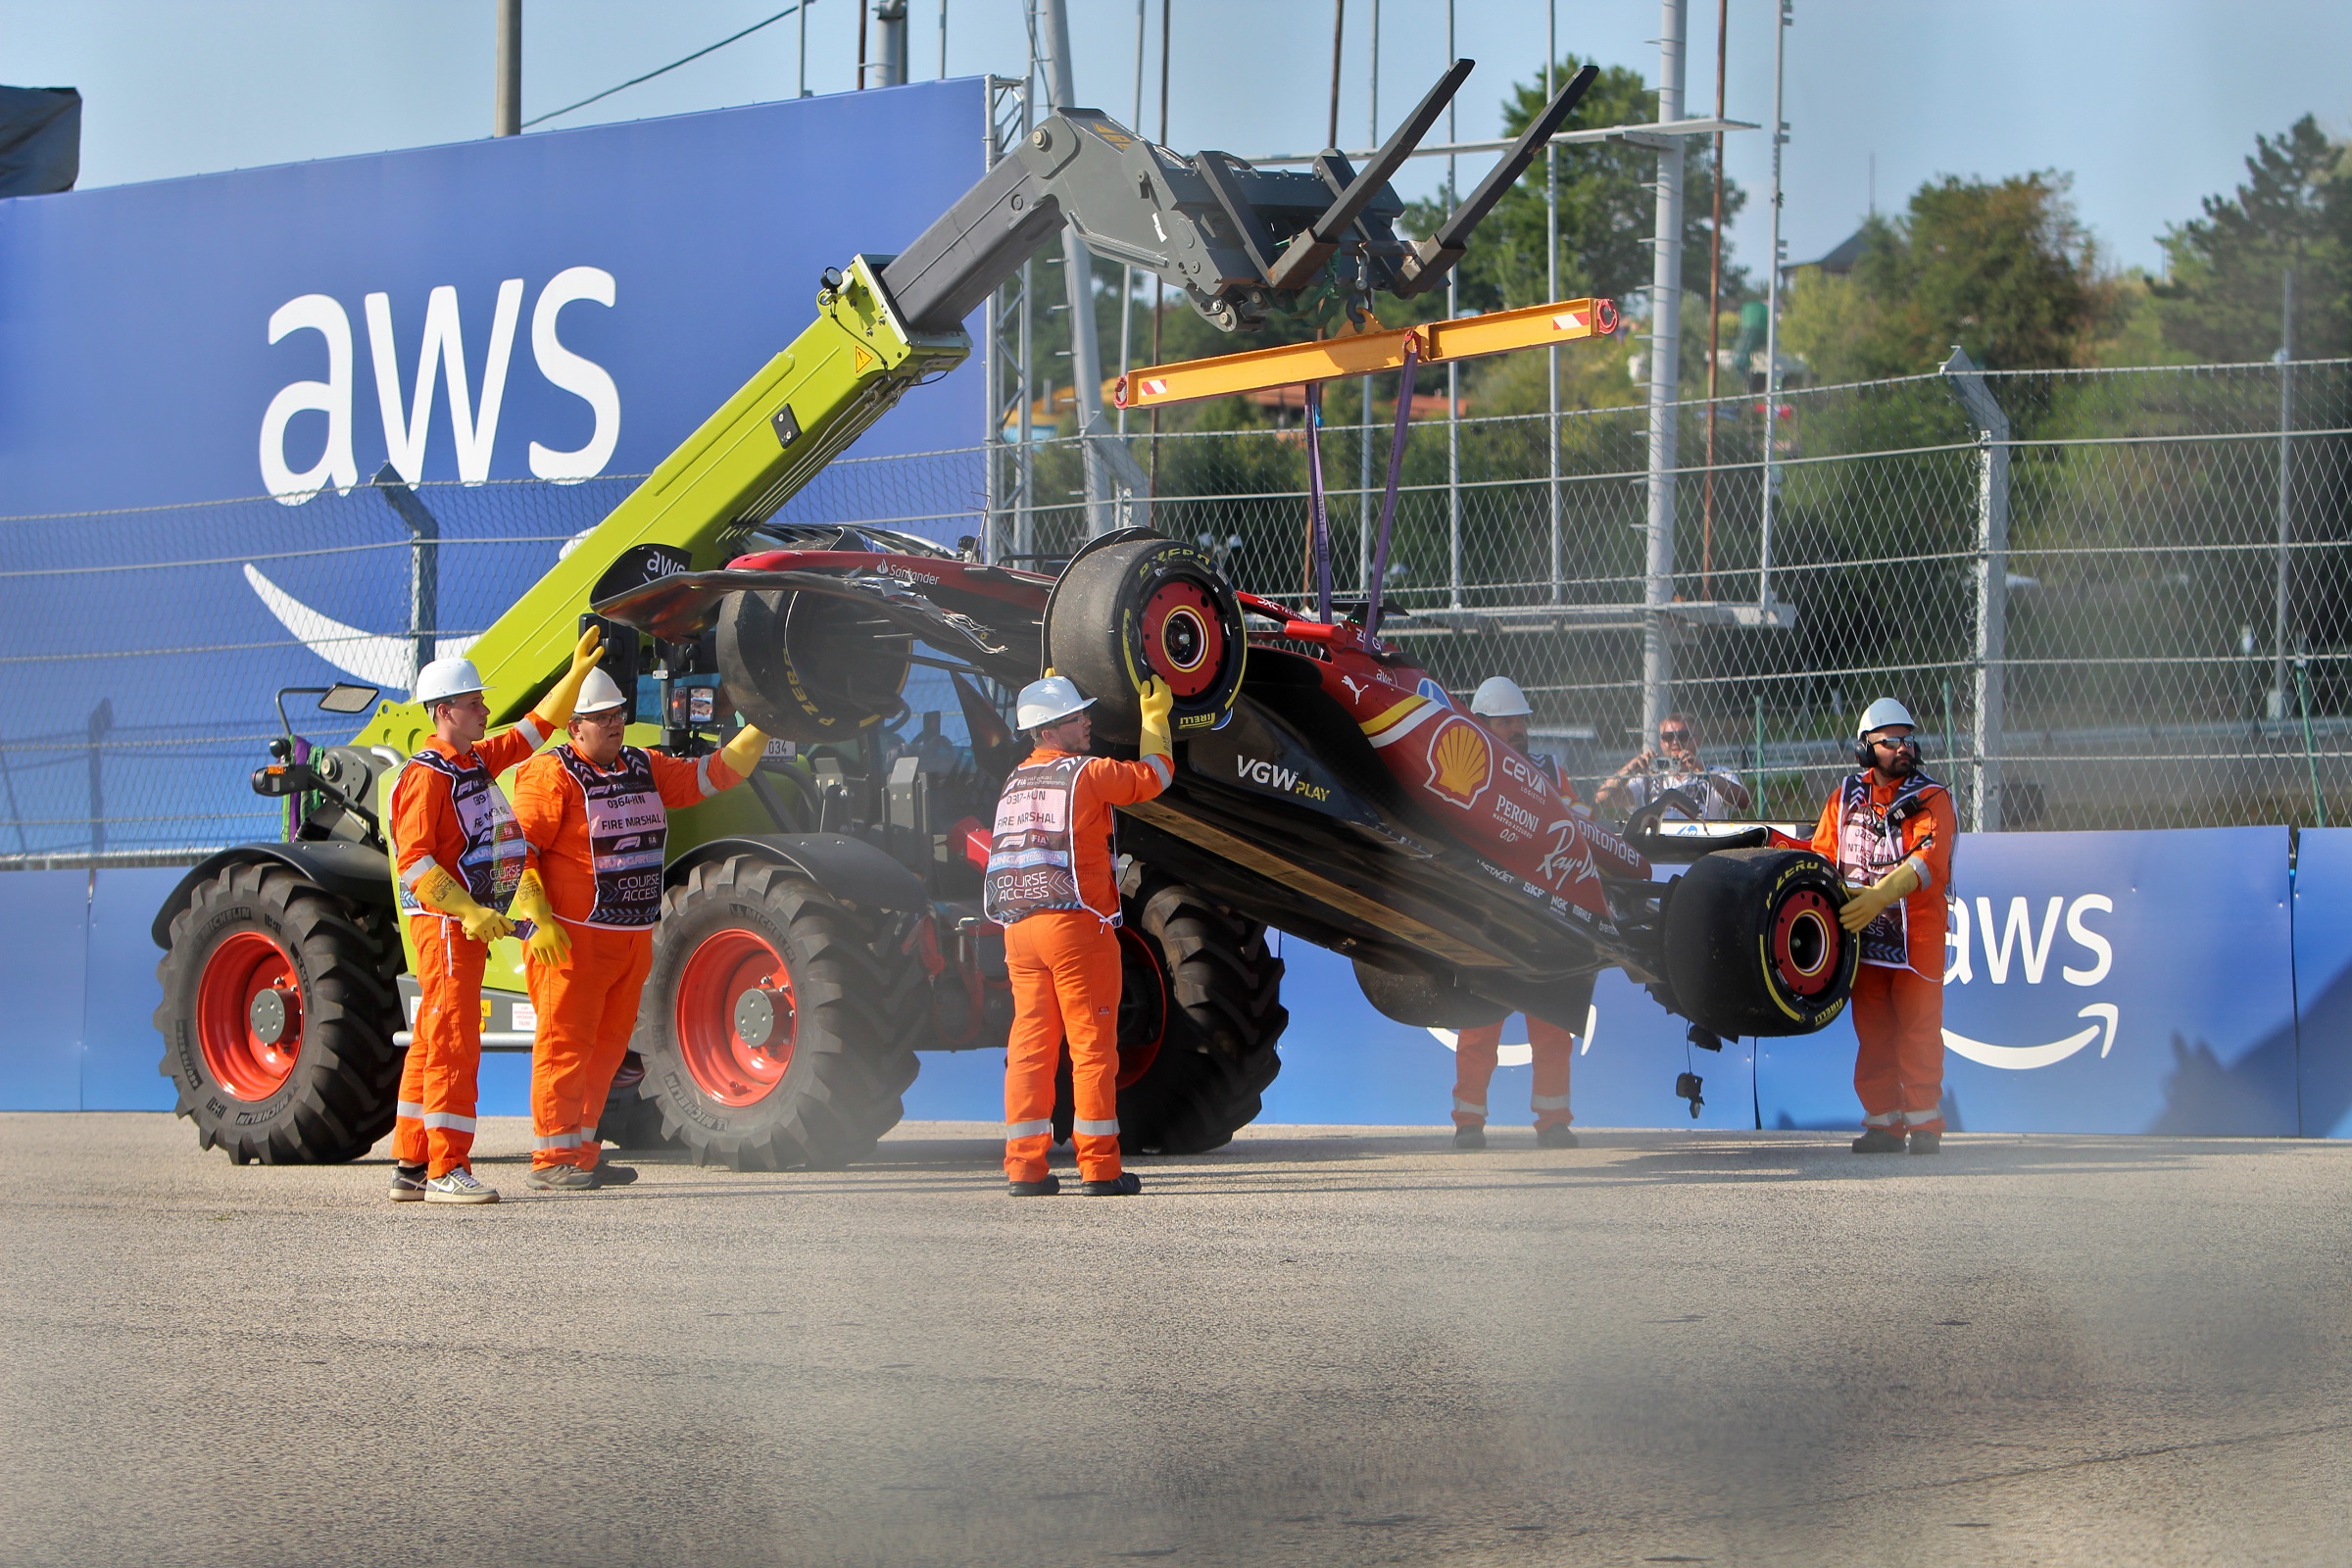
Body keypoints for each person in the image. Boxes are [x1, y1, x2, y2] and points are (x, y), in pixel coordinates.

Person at [510, 666, 769, 1191]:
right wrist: (535, 922)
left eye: (618, 715)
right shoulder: (549, 775)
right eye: (600, 718)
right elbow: (517, 855)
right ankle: (550, 1157)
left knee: (606, 1050)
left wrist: (762, 726)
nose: (614, 725)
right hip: (571, 939)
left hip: (630, 938)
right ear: (573, 728)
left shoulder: (641, 765)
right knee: (566, 1046)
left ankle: (581, 1150)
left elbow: (711, 775)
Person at [388, 628, 605, 1204]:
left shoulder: (472, 761)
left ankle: (413, 1163)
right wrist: (468, 910)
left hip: (465, 923)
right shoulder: (428, 775)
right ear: (443, 712)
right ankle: (445, 1170)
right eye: (474, 703)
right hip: (448, 926)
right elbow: (413, 862)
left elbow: (534, 730)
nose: (485, 709)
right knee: (454, 1039)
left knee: (433, 1038)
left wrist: (576, 678)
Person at [986, 672, 1174, 1198]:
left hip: (1019, 930)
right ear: (1048, 729)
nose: (1088, 721)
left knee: (1030, 1048)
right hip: (1075, 928)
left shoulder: (1015, 780)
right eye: (1076, 716)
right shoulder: (1088, 774)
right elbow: (1154, 777)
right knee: (1092, 1048)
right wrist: (1155, 719)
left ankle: (1025, 1169)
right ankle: (1100, 1168)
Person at [1812, 698, 1957, 1155]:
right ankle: (1884, 1124)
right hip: (1862, 941)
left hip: (1917, 939)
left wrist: (1880, 895)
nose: (1902, 748)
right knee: (1873, 1034)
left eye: (1907, 740)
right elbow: (1822, 854)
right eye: (1890, 741)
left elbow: (1929, 860)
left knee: (1918, 1030)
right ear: (1865, 748)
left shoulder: (1932, 798)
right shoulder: (1843, 797)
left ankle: (1925, 1124)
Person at [1450, 676, 1590, 1151]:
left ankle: (1554, 1122)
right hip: (1487, 915)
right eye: (1506, 721)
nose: (1517, 729)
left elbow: (1576, 820)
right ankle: (1468, 1123)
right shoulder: (1465, 765)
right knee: (1478, 1026)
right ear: (1481, 724)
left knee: (1552, 1026)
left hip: (1544, 918)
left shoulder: (1550, 768)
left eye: (1521, 720)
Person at [1596, 711, 1752, 821]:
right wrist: (1630, 768)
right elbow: (1602, 799)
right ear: (1661, 742)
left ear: (1697, 741)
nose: (1675, 742)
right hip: (1659, 851)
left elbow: (1743, 801)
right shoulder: (1647, 779)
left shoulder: (1715, 773)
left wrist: (1702, 773)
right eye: (1668, 737)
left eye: (1683, 736)